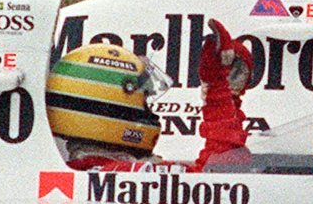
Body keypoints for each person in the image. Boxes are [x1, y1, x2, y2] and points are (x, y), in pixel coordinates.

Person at [45, 28, 255, 171]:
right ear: (110, 107)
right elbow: (224, 174)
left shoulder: (96, 169)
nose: (149, 111)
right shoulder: (120, 174)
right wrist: (219, 94)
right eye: (143, 100)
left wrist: (227, 96)